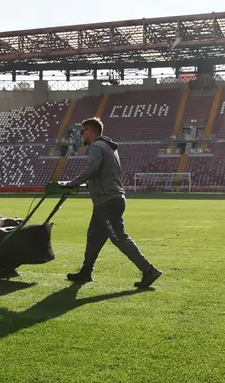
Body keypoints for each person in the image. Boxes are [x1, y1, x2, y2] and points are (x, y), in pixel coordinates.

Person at [62, 117, 162, 288]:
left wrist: (73, 183)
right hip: (110, 199)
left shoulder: (95, 147)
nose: (81, 136)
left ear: (90, 132)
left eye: (82, 132)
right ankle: (86, 271)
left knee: (119, 238)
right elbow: (102, 174)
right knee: (94, 237)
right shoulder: (109, 147)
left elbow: (92, 169)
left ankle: (149, 270)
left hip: (107, 201)